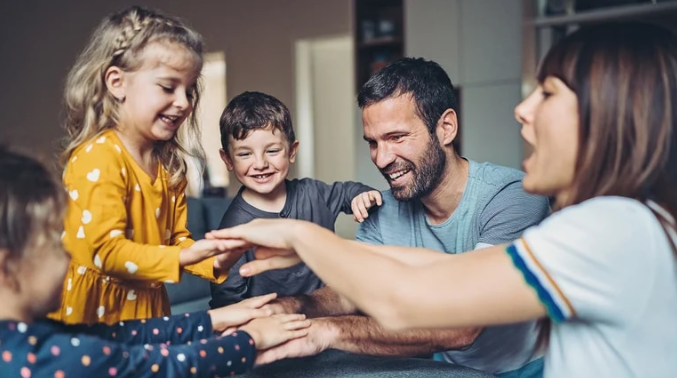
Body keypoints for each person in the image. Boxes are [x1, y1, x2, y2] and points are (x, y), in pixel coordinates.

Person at [209, 22, 677, 378]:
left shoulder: (609, 227)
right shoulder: (627, 222)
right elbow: (436, 271)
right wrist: (292, 307)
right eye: (373, 141)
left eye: (548, 93)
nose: (522, 108)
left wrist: (303, 236)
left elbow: (450, 312)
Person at [218, 60, 551, 377]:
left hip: (530, 370)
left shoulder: (512, 197)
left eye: (396, 138)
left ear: (445, 128)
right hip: (443, 369)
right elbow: (350, 293)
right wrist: (285, 310)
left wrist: (319, 332)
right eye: (372, 143)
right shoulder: (384, 210)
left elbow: (463, 326)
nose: (382, 158)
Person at [0, 148, 311, 377]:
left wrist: (217, 319)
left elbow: (124, 335)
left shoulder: (36, 336)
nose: (70, 254)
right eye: (57, 242)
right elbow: (165, 367)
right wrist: (251, 339)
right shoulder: (49, 358)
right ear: (7, 266)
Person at [50, 6, 243, 324]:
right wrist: (182, 257)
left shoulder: (171, 167)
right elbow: (106, 253)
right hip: (95, 316)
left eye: (189, 90)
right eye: (168, 87)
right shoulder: (98, 157)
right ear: (117, 83)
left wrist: (217, 258)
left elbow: (178, 240)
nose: (184, 102)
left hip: (146, 307)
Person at [209, 91, 382, 308]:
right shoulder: (235, 225)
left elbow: (348, 191)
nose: (260, 163)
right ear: (228, 159)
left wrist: (361, 195)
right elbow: (227, 297)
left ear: (291, 151)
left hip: (330, 313)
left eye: (272, 150)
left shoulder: (313, 192)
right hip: (275, 326)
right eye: (245, 154)